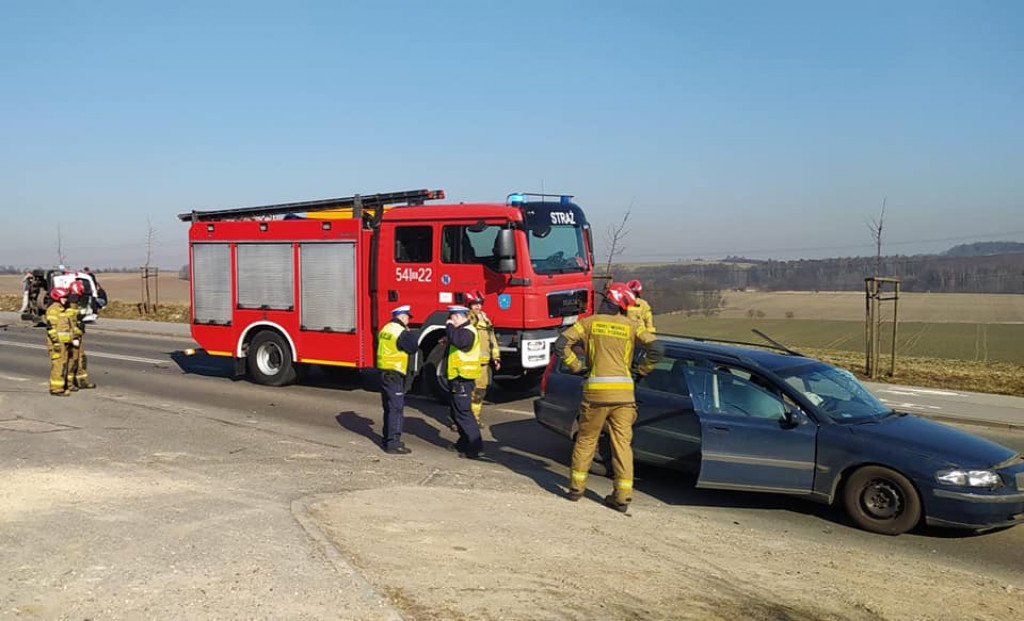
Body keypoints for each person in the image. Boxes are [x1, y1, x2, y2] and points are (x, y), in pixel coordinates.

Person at [555, 282, 660, 513]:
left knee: (586, 440)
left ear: (607, 300)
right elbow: (657, 349)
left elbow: (561, 344)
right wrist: (641, 370)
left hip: (595, 395)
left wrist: (576, 366)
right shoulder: (632, 326)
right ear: (623, 306)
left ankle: (576, 489)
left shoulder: (589, 323)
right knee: (622, 445)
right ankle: (622, 497)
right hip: (624, 396)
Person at [444, 305, 486, 460]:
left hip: (463, 378)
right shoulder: (462, 331)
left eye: (452, 318)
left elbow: (458, 341)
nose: (450, 321)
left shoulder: (467, 331)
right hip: (458, 377)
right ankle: (463, 443)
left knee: (464, 414)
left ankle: (475, 448)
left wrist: (449, 327)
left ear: (458, 317)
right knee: (457, 413)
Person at [376, 305, 418, 454]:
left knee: (388, 408)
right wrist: (409, 333)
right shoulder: (400, 332)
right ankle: (393, 444)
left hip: (384, 372)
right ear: (402, 317)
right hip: (394, 374)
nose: (408, 321)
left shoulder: (386, 328)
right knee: (396, 409)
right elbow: (413, 348)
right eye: (407, 317)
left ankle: (387, 438)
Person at [465, 290, 501, 428]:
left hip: (483, 364)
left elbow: (492, 340)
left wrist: (496, 357)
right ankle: (459, 419)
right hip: (469, 363)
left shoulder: (485, 319)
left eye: (479, 304)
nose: (478, 306)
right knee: (465, 393)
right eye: (474, 304)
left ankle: (475, 417)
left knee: (479, 392)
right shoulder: (467, 319)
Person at [65, 280, 96, 390]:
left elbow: (77, 319)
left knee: (81, 359)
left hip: (78, 336)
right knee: (72, 360)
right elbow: (69, 324)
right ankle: (69, 383)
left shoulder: (76, 304)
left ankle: (82, 381)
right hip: (72, 338)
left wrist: (81, 324)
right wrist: (75, 335)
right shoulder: (69, 306)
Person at [44, 287, 74, 396]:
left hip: (64, 343)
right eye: (64, 297)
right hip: (57, 344)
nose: (66, 299)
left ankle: (62, 386)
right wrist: (56, 342)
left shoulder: (63, 309)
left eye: (66, 297)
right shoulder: (53, 310)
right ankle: (56, 389)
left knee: (63, 365)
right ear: (57, 297)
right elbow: (51, 328)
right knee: (58, 366)